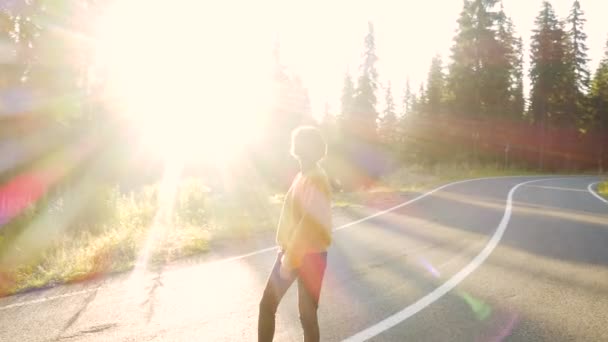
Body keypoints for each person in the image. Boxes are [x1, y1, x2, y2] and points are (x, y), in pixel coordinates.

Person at [258, 126, 332, 342]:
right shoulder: (305, 175)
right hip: (302, 253)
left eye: (300, 141)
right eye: (296, 141)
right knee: (306, 317)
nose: (296, 145)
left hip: (304, 255)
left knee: (270, 306)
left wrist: (289, 259)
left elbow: (309, 223)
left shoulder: (315, 177)